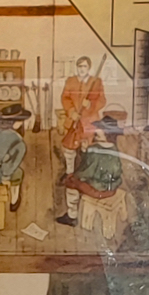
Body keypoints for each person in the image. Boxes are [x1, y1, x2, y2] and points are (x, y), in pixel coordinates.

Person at [60, 116, 127, 236]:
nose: (96, 130)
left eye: (99, 129)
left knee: (71, 183)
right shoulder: (114, 149)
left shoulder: (94, 149)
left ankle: (72, 215)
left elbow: (86, 171)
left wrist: (74, 175)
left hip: (99, 190)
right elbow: (117, 171)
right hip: (112, 188)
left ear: (105, 133)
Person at [59, 56, 106, 224]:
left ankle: (85, 175)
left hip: (88, 123)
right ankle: (69, 172)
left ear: (89, 68)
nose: (81, 69)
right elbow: (65, 98)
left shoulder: (96, 82)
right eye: (79, 66)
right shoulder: (71, 81)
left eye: (84, 66)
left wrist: (90, 105)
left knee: (87, 151)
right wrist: (72, 111)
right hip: (74, 121)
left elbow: (102, 100)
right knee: (69, 148)